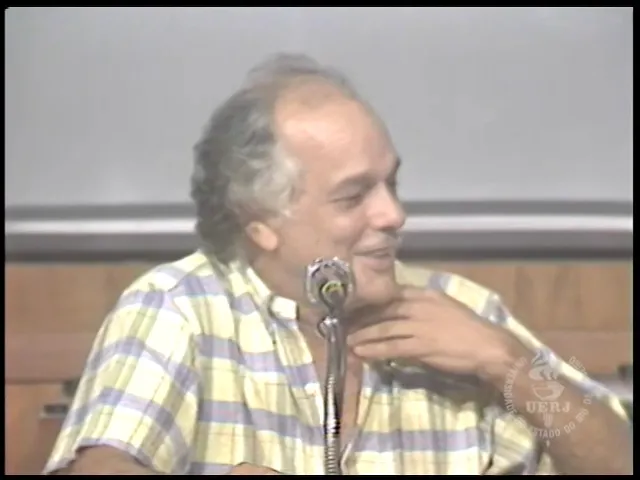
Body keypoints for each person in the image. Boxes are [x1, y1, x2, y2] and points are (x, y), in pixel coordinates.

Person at [44, 53, 632, 475]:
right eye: (354, 196)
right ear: (261, 221)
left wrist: (509, 366)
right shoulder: (179, 309)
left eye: (392, 184)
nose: (394, 214)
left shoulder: (465, 310)